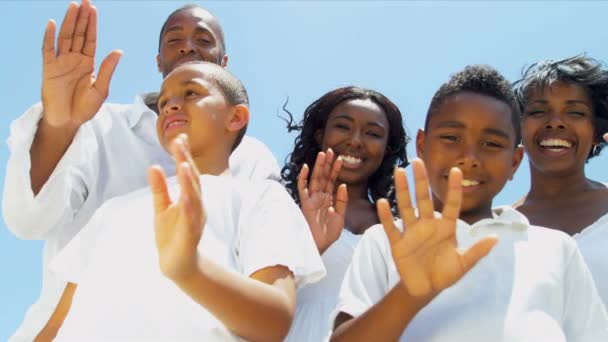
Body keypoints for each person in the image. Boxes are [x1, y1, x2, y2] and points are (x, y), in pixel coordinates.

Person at [3, 2, 280, 340]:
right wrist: (60, 125)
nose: (188, 46)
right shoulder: (100, 127)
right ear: (158, 61)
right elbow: (28, 222)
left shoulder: (252, 159)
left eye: (204, 39)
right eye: (173, 39)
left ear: (224, 62)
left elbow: (269, 284)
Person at [37, 61, 325, 341]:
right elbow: (59, 322)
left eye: (191, 93)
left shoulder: (260, 197)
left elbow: (273, 321)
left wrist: (190, 270)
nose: (170, 106)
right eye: (163, 103)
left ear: (236, 117)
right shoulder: (112, 210)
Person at [331, 65, 608, 341]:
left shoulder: (556, 248)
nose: (469, 156)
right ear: (422, 144)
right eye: (451, 138)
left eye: (491, 143)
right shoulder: (385, 241)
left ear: (514, 162)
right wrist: (408, 295)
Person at [280, 86, 409, 341]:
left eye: (373, 133)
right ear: (320, 135)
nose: (356, 140)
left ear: (386, 149)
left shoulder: (403, 226)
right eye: (343, 126)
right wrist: (312, 247)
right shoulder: (281, 203)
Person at [513, 55, 608, 307]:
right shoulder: (497, 227)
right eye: (538, 111)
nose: (555, 122)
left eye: (575, 112)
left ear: (597, 131)